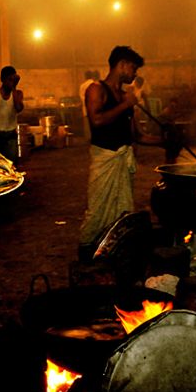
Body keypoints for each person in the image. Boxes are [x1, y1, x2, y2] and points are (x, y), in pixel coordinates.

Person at [78, 46, 144, 260]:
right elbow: (96, 120)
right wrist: (125, 104)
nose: (135, 74)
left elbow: (138, 136)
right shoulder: (96, 89)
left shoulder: (126, 96)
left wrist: (167, 140)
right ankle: (87, 255)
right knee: (97, 211)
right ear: (122, 65)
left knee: (122, 212)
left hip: (122, 161)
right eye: (133, 68)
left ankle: (113, 254)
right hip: (104, 160)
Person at [79, 69, 100, 140]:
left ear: (85, 77)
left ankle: (88, 138)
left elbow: (81, 98)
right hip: (95, 109)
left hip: (85, 109)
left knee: (87, 125)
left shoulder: (82, 86)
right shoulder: (95, 84)